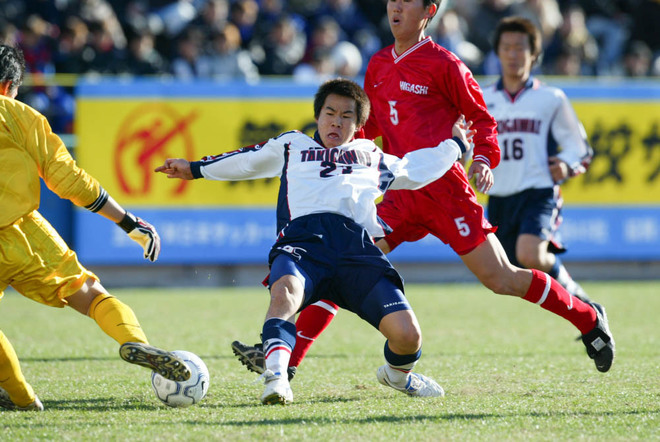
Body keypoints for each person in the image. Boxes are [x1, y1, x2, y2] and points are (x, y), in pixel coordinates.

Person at [232, 0, 615, 380]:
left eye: (406, 2)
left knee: (502, 278)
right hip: (401, 193)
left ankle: (588, 317)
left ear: (429, 11)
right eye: (391, 1)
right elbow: (367, 130)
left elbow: (483, 120)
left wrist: (482, 158)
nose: (395, 7)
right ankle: (290, 357)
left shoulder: (445, 64)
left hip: (446, 192)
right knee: (344, 260)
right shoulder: (379, 66)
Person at [155, 78, 470, 405]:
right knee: (284, 293)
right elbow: (247, 159)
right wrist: (193, 168)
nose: (336, 120)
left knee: (408, 336)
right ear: (317, 117)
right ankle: (276, 378)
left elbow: (416, 168)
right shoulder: (292, 145)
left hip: (356, 252)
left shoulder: (369, 155)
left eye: (347, 115)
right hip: (302, 245)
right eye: (330, 112)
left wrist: (456, 147)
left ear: (359, 124)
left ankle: (397, 375)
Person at [0, 45, 190, 412]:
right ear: (8, 85)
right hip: (23, 230)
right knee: (87, 291)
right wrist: (128, 222)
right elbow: (68, 180)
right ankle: (134, 339)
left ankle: (22, 398)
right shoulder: (21, 116)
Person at [481, 16, 594, 301]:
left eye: (520, 48)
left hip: (538, 191)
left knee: (529, 253)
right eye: (506, 47)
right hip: (500, 197)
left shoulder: (551, 98)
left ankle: (580, 301)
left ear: (534, 55)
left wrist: (567, 164)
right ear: (497, 53)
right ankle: (585, 313)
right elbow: (470, 146)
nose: (513, 55)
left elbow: (579, 147)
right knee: (509, 270)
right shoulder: (480, 100)